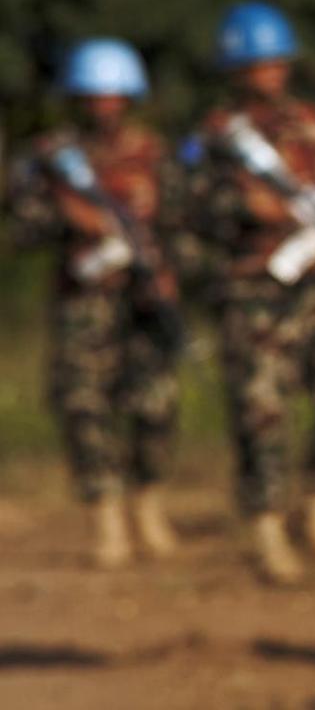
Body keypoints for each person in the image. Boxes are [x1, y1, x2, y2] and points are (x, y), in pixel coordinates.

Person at [185, 1, 315, 584]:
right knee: (261, 412)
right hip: (254, 292)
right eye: (255, 64)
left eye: (276, 62)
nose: (269, 73)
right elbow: (187, 208)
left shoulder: (311, 124)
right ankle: (267, 529)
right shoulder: (214, 139)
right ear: (235, 71)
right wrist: (242, 206)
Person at [6, 39, 186, 569]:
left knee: (156, 406)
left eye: (113, 97)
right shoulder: (50, 159)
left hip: (144, 301)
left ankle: (147, 501)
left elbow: (183, 222)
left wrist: (169, 270)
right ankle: (107, 519)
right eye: (92, 97)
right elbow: (23, 228)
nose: (103, 107)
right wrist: (67, 214)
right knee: (84, 408)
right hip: (83, 303)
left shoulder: (155, 154)